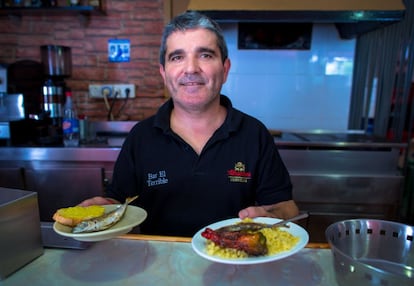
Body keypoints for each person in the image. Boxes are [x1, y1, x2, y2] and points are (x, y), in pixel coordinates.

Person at [80, 11, 299, 237]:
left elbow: (287, 207)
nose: (191, 68)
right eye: (177, 57)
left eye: (205, 55)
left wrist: (273, 216)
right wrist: (102, 207)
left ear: (224, 70)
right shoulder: (141, 137)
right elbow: (118, 203)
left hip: (236, 265)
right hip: (158, 267)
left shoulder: (255, 134)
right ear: (164, 73)